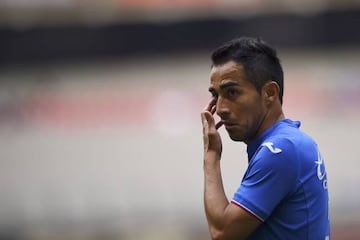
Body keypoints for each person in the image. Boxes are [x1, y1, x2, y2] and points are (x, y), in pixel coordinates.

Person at [201, 37, 330, 240]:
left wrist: (211, 156)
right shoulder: (290, 142)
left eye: (232, 92)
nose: (221, 109)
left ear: (270, 92)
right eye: (216, 96)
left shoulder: (281, 150)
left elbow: (222, 233)